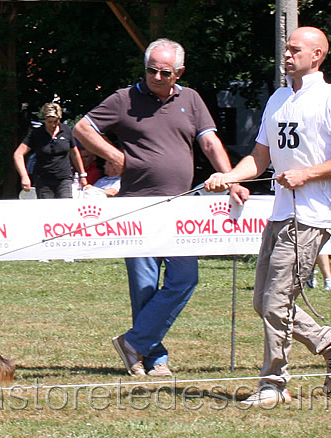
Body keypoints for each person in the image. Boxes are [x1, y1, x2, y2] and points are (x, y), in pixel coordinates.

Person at [204, 27, 331, 406]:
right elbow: (260, 158)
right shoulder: (277, 98)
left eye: (295, 50)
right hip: (279, 213)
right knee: (264, 302)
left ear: (317, 55)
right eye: (286, 49)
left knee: (276, 302)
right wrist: (228, 176)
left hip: (310, 217)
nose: (287, 55)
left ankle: (273, 385)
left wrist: (307, 174)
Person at [74, 38, 249, 377]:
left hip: (180, 208)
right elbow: (83, 128)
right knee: (144, 287)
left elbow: (210, 142)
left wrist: (231, 178)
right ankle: (154, 359)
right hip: (136, 208)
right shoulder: (124, 99)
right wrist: (116, 157)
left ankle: (134, 343)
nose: (155, 76)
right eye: (150, 69)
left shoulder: (192, 99)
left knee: (185, 278)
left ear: (179, 72)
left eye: (164, 72)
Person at [14, 102, 87, 198]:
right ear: (44, 120)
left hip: (64, 178)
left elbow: (74, 153)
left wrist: (82, 175)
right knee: (48, 211)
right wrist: (24, 176)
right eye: (49, 122)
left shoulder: (66, 131)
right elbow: (18, 154)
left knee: (66, 208)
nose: (53, 125)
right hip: (43, 180)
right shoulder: (36, 134)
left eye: (56, 121)